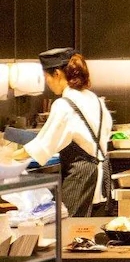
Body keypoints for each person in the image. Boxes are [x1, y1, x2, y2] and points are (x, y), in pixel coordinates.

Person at [12, 48, 113, 217]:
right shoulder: (94, 99)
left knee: (69, 227)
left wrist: (9, 157)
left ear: (57, 74)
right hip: (102, 176)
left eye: (46, 77)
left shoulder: (64, 105)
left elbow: (43, 145)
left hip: (81, 177)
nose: (47, 83)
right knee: (92, 227)